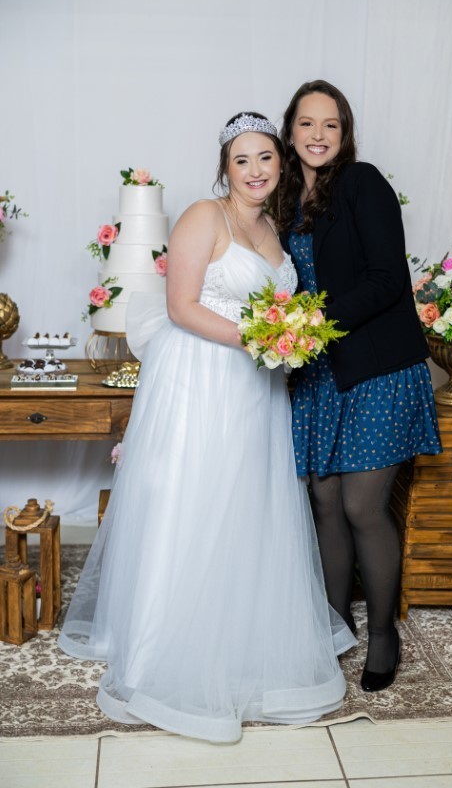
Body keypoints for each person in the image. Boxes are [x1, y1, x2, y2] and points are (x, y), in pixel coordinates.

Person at [58, 112, 356, 743]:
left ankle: (241, 636)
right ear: (225, 167)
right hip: (202, 380)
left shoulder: (273, 227)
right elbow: (181, 306)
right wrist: (262, 336)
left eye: (265, 158)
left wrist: (286, 336)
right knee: (195, 500)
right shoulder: (203, 215)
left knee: (247, 503)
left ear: (280, 164)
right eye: (242, 160)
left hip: (256, 388)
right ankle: (163, 643)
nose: (255, 170)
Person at [274, 81, 442, 692]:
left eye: (331, 124)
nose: (318, 135)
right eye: (307, 123)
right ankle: (336, 623)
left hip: (376, 368)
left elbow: (387, 278)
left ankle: (382, 635)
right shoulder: (283, 199)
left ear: (345, 134)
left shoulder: (363, 183)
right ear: (290, 131)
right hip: (319, 373)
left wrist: (314, 321)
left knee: (360, 505)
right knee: (323, 502)